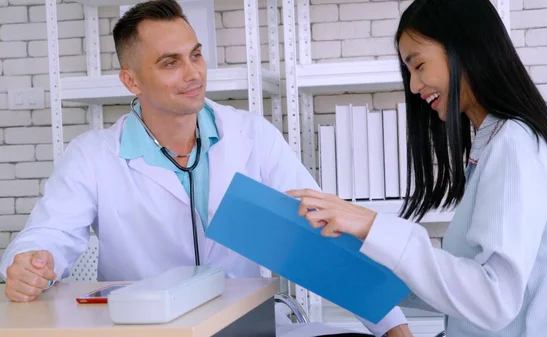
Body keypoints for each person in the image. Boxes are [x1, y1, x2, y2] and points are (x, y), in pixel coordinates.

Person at [0, 0, 411, 336]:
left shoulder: (253, 136)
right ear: (132, 80)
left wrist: (392, 327)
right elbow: (46, 237)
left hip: (250, 326)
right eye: (170, 62)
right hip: (147, 331)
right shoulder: (92, 155)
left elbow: (321, 236)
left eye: (195, 54)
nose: (193, 73)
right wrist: (29, 265)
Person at [288, 0, 547, 336]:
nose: (415, 86)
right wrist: (364, 262)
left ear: (463, 48)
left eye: (418, 66)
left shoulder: (514, 145)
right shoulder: (495, 145)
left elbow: (494, 300)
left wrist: (372, 225)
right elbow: (464, 291)